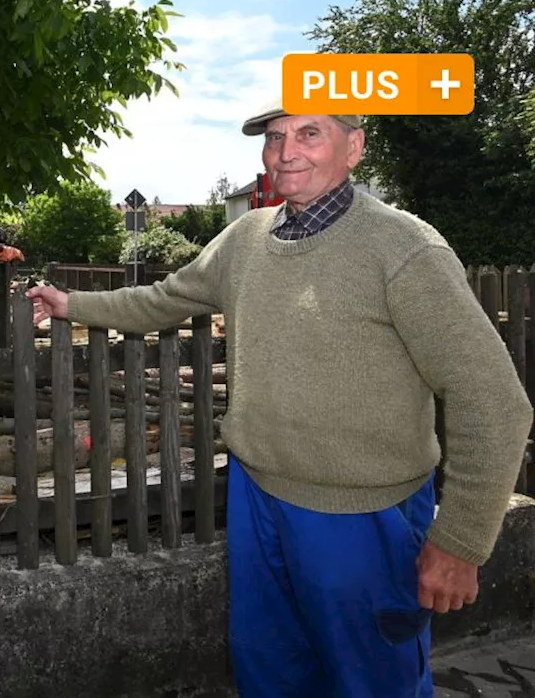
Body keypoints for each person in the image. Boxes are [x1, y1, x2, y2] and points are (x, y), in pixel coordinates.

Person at [27, 97, 532, 697]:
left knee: (372, 681)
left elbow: (494, 399)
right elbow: (162, 297)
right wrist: (72, 305)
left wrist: (462, 542)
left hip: (361, 515)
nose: (285, 152)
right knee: (271, 670)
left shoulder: (405, 249)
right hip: (257, 496)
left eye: (310, 135)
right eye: (274, 137)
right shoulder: (247, 237)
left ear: (354, 147)